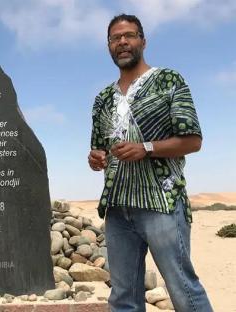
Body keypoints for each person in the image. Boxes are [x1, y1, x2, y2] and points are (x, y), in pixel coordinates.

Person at [88, 14, 213, 312]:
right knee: (123, 298)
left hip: (162, 204)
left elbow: (193, 140)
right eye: (115, 38)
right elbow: (99, 149)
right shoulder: (103, 98)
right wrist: (96, 158)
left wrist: (146, 148)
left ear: (143, 41)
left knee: (184, 290)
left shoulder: (169, 80)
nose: (122, 42)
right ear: (109, 46)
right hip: (117, 208)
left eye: (129, 35)